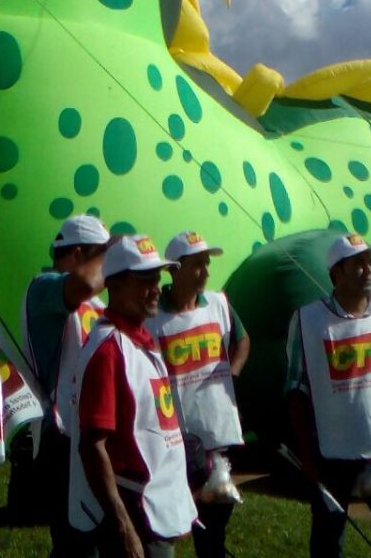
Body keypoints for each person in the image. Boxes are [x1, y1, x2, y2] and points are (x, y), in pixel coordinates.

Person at [286, 231, 371, 558]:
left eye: (369, 262)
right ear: (337, 272)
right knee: (327, 544)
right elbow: (295, 391)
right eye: (358, 263)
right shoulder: (309, 321)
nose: (368, 269)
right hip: (331, 455)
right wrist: (307, 455)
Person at [70, 233, 197, 558]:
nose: (156, 288)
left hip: (156, 510)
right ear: (114, 286)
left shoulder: (140, 339)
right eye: (145, 280)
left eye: (156, 279)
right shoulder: (109, 350)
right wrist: (124, 528)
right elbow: (92, 446)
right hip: (135, 513)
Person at [148, 230, 250, 558]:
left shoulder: (218, 303)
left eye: (207, 263)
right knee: (170, 523)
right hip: (174, 438)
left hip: (218, 433)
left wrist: (232, 373)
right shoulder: (153, 318)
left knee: (214, 522)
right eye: (197, 265)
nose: (205, 271)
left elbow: (242, 340)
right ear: (174, 270)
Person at [18, 213, 110, 555]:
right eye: (102, 257)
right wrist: (117, 250)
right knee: (76, 543)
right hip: (61, 440)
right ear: (78, 254)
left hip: (91, 433)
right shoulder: (43, 288)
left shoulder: (95, 304)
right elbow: (83, 284)